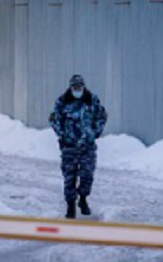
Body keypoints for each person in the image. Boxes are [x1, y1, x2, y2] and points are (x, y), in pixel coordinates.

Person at [49, 74, 107, 219]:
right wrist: (61, 136)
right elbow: (55, 119)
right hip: (69, 147)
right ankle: (70, 205)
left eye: (79, 87)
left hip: (87, 146)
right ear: (70, 87)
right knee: (69, 177)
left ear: (83, 87)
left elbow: (101, 117)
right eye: (74, 87)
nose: (77, 90)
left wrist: (95, 133)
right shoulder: (62, 101)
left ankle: (83, 199)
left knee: (87, 176)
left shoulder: (92, 100)